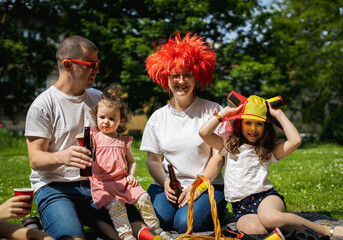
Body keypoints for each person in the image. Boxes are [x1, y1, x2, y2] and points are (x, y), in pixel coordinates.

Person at [25, 35, 148, 240]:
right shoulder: (43, 105)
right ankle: (40, 228)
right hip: (55, 187)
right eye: (91, 65)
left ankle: (87, 216)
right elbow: (35, 159)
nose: (97, 70)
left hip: (97, 185)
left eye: (98, 64)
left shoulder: (99, 99)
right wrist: (62, 157)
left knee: (138, 232)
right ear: (68, 65)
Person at [199, 94, 343, 238]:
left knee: (270, 218)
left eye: (259, 124)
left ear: (266, 126)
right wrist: (224, 113)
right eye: (248, 123)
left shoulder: (268, 149)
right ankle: (283, 229)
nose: (253, 128)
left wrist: (278, 114)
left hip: (266, 198)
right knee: (254, 230)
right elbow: (204, 132)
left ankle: (323, 229)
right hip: (241, 208)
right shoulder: (229, 145)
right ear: (239, 123)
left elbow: (295, 140)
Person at [140, 32, 228, 233]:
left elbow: (218, 158)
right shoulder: (158, 117)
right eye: (175, 75)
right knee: (157, 221)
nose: (181, 81)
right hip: (170, 187)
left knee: (183, 224)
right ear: (166, 77)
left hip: (207, 184)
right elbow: (153, 159)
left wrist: (197, 188)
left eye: (187, 74)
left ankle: (216, 209)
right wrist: (163, 182)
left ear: (197, 76)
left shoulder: (212, 110)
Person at [89, 86, 172, 240]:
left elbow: (132, 162)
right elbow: (87, 159)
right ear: (96, 117)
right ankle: (126, 235)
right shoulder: (94, 139)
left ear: (121, 120)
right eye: (102, 117)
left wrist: (131, 175)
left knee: (144, 198)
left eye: (112, 118)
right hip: (103, 184)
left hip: (123, 182)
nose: (106, 122)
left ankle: (156, 229)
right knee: (116, 207)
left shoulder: (123, 141)